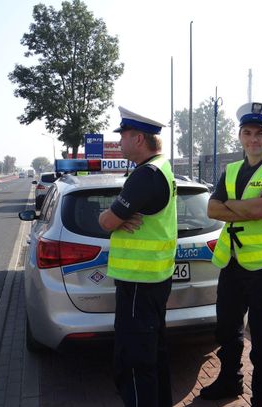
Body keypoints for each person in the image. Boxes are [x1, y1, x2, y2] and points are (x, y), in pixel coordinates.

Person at [201, 102, 262, 406]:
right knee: (227, 331)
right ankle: (230, 382)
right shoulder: (229, 171)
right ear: (240, 136)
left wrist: (231, 208)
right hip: (231, 264)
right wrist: (245, 209)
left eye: (260, 133)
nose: (253, 139)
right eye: (247, 132)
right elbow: (211, 209)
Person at [98, 106, 177, 407]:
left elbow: (107, 222)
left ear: (139, 139)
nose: (120, 142)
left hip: (139, 284)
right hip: (155, 280)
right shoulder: (162, 168)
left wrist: (110, 216)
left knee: (134, 362)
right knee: (154, 354)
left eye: (124, 136)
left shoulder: (146, 175)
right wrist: (118, 215)